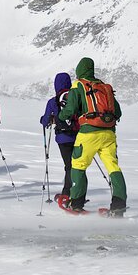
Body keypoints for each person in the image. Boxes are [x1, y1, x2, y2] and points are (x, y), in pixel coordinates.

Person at [57, 57, 127, 214]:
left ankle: (76, 203)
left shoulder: (79, 85)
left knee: (78, 165)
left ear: (79, 70)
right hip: (109, 133)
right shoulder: (104, 87)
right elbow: (118, 111)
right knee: (113, 167)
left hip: (88, 133)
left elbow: (70, 109)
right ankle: (119, 205)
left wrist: (59, 117)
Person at [39, 72, 76, 200]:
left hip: (63, 138)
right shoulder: (75, 98)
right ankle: (76, 192)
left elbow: (45, 121)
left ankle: (68, 193)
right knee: (76, 165)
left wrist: (44, 119)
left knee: (69, 166)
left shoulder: (53, 101)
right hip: (78, 136)